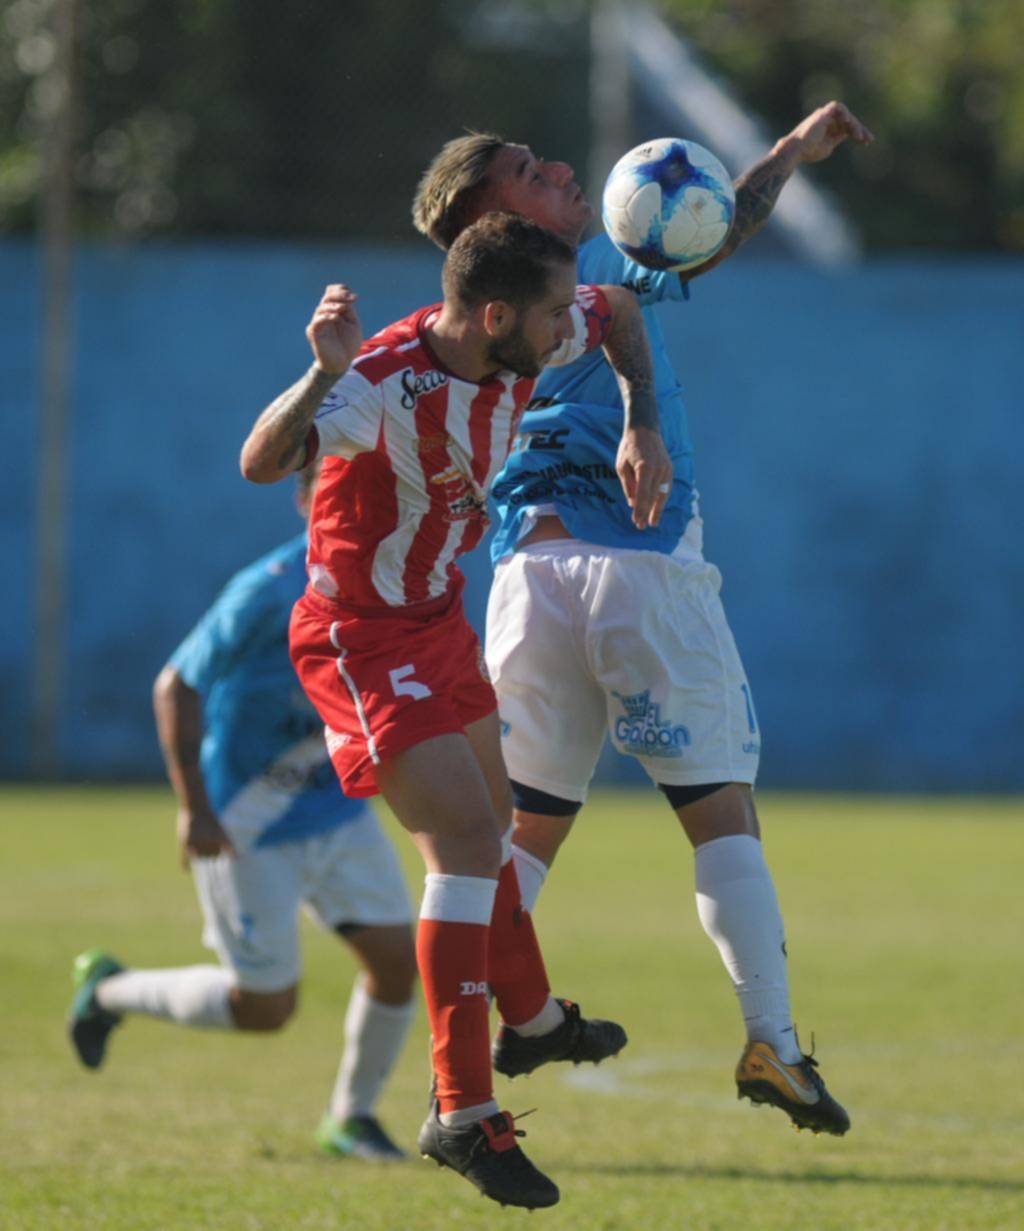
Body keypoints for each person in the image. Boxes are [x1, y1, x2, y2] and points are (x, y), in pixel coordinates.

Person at [411, 102, 875, 1138]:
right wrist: (640, 423)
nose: (563, 168)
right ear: (495, 218)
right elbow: (667, 276)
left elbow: (704, 238)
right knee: (720, 813)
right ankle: (774, 1043)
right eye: (532, 172)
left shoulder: (473, 325)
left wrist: (791, 153)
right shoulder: (580, 296)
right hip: (638, 568)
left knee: (518, 835)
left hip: (525, 584)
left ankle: (466, 1061)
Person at [237, 211, 669, 1210]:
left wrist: (641, 413)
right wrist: (318, 373)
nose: (571, 326)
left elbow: (621, 311)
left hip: (436, 619)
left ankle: (531, 1019)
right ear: (492, 315)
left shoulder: (536, 328)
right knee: (469, 845)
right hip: (359, 636)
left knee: (492, 829)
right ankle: (462, 1113)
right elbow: (261, 460)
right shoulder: (382, 382)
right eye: (553, 311)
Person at [67, 465, 418, 1162]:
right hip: (246, 820)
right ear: (303, 500)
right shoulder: (265, 592)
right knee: (265, 1009)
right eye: (337, 493)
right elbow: (176, 685)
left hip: (336, 809)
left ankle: (351, 1117)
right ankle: (110, 990)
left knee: (397, 962)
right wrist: (194, 808)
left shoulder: (396, 581)